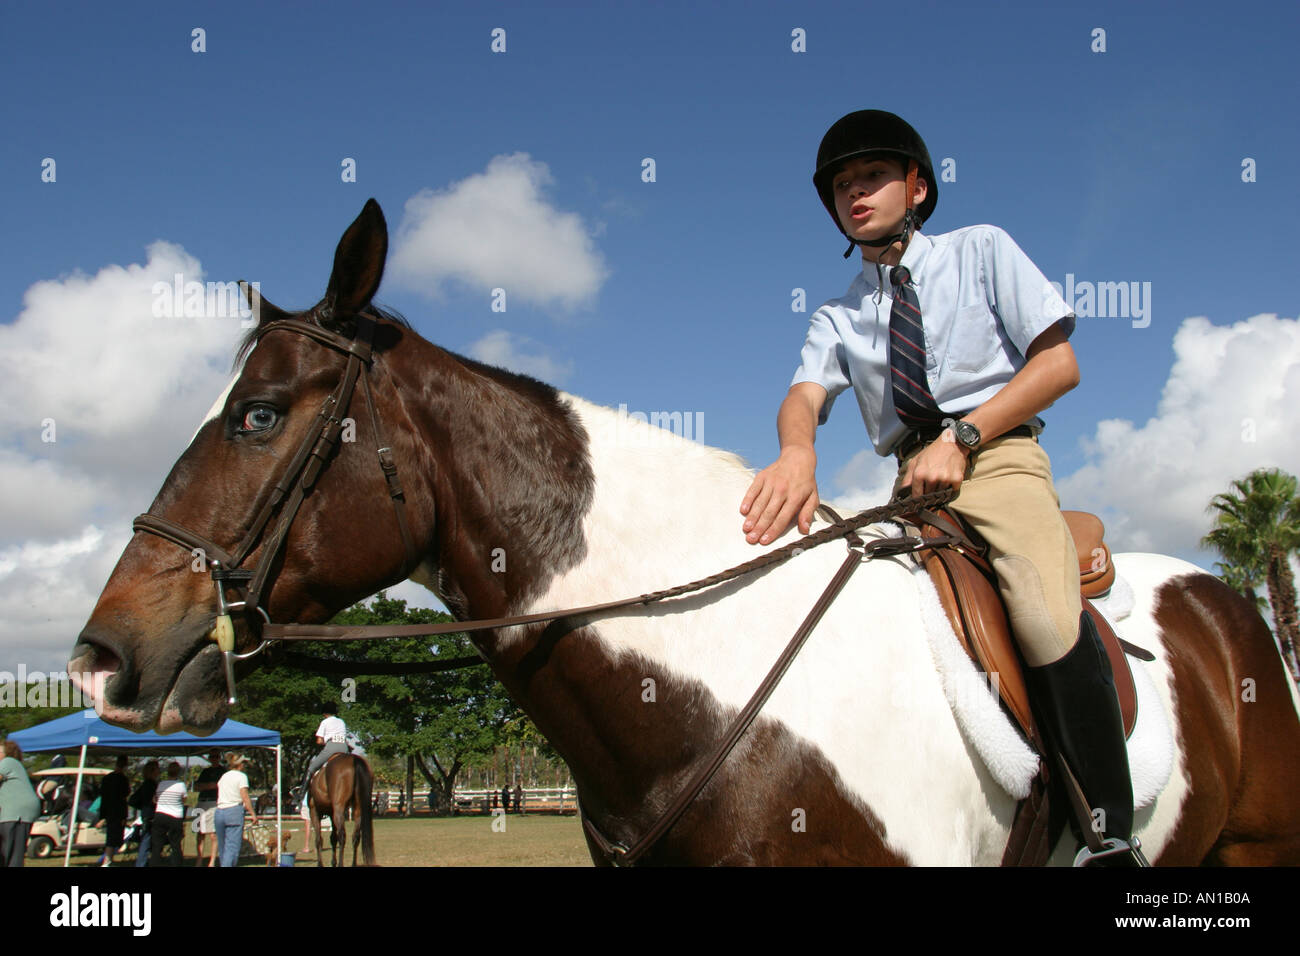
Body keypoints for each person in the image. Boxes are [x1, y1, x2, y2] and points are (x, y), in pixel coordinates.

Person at [740, 110, 1139, 866]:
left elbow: (1058, 366)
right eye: (840, 185)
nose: (853, 194)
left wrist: (965, 436)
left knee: (1042, 611)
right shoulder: (836, 313)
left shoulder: (980, 250)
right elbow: (804, 394)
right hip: (907, 483)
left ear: (918, 186)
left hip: (999, 459)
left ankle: (1110, 835)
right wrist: (796, 452)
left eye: (872, 176)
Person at [299, 702, 349, 810]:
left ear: (325, 713)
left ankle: (300, 795)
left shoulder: (325, 722)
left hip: (332, 747)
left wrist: (322, 742)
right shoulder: (341, 721)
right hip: (344, 747)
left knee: (311, 768)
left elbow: (319, 740)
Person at [0, 741, 41, 866]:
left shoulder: (8, 762)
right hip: (13, 811)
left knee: (11, 852)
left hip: (17, 812)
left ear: (7, 753)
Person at [215, 753, 257, 867]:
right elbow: (244, 796)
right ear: (240, 764)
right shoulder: (241, 776)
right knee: (232, 847)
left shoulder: (224, 776)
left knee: (223, 847)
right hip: (233, 811)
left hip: (219, 811)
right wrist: (253, 813)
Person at [150, 762, 186, 866]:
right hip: (175, 816)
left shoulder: (161, 784)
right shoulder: (181, 785)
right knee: (175, 845)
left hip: (160, 814)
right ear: (178, 772)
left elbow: (155, 799)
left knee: (157, 845)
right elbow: (184, 799)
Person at [193, 749, 224, 867]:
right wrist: (209, 786)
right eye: (211, 757)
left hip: (213, 803)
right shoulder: (205, 771)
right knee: (199, 832)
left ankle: (212, 861)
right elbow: (196, 787)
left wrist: (206, 786)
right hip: (201, 802)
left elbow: (218, 786)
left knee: (213, 834)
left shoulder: (222, 771)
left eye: (216, 756)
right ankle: (199, 859)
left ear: (219, 757)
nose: (214, 759)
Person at [99, 755, 131, 866]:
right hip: (118, 811)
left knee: (111, 836)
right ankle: (107, 860)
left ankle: (109, 859)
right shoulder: (123, 779)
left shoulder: (107, 778)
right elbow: (125, 795)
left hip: (108, 810)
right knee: (113, 837)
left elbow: (103, 795)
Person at [130, 760, 160, 867]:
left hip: (146, 814)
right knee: (146, 841)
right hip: (151, 815)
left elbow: (132, 800)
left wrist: (142, 806)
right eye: (157, 769)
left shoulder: (145, 784)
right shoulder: (151, 785)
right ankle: (141, 863)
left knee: (147, 840)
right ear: (153, 771)